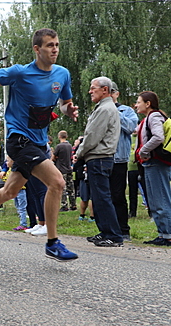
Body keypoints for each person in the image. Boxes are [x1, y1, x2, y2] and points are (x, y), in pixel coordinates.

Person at [0, 28, 79, 262]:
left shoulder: (62, 74)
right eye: (50, 45)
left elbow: (63, 104)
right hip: (19, 139)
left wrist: (67, 110)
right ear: (37, 49)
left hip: (39, 142)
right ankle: (52, 242)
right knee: (57, 182)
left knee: (10, 191)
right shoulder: (20, 72)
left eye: (57, 45)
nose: (55, 49)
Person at [75, 76, 123, 247]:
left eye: (93, 87)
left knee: (102, 197)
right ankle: (105, 232)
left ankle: (114, 235)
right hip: (99, 158)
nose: (90, 91)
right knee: (98, 197)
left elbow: (92, 137)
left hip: (100, 158)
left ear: (105, 90)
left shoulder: (104, 109)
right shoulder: (105, 107)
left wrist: (79, 153)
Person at [135, 91, 171, 247]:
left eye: (138, 102)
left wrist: (143, 151)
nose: (136, 105)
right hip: (152, 164)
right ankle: (163, 234)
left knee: (161, 199)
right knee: (155, 199)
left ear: (148, 103)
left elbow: (158, 137)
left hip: (157, 163)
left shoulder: (154, 116)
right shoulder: (148, 119)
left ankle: (168, 237)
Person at [109, 82, 138, 241]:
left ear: (117, 94)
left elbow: (130, 127)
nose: (109, 95)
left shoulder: (127, 111)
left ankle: (123, 230)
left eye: (112, 92)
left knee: (118, 195)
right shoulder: (99, 110)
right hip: (101, 158)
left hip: (119, 158)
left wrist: (113, 111)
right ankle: (108, 230)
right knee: (103, 196)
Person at [52, 130, 74, 211]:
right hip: (69, 168)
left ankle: (64, 205)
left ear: (59, 136)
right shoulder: (69, 146)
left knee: (62, 188)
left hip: (61, 169)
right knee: (71, 187)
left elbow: (53, 157)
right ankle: (73, 204)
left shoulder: (59, 146)